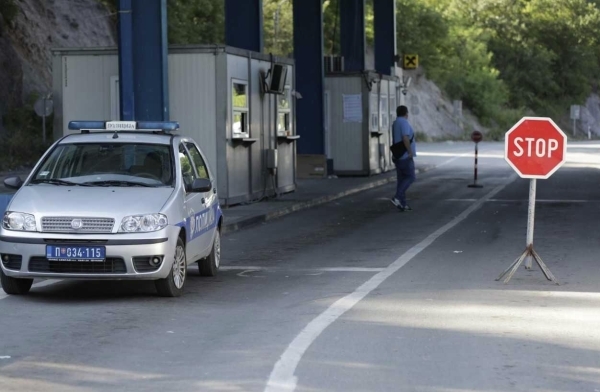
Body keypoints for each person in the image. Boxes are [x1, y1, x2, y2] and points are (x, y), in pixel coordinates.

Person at [390, 105, 416, 211]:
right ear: (406, 113)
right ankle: (397, 197)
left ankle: (402, 203)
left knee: (401, 180)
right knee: (411, 177)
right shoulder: (404, 122)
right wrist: (410, 152)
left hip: (397, 155)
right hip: (405, 155)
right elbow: (405, 137)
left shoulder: (395, 123)